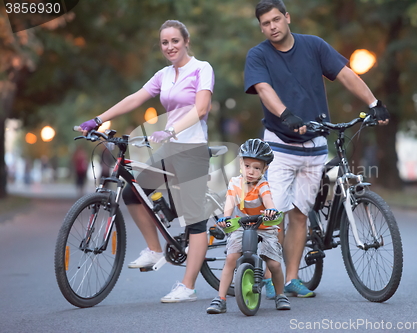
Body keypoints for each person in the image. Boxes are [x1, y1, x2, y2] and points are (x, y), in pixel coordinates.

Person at [244, 0, 390, 298]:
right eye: (265, 24)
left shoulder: (314, 46)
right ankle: (273, 277)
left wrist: (374, 104)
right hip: (279, 147)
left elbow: (346, 74)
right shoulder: (258, 55)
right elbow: (263, 89)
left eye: (275, 20)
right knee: (275, 215)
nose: (271, 27)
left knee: (299, 214)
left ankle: (293, 278)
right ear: (261, 27)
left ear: (287, 18)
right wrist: (286, 115)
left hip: (314, 146)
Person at [78, 20, 215, 303]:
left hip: (191, 149)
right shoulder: (164, 75)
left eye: (175, 41)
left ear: (186, 41)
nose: (170, 47)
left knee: (195, 221)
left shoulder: (202, 68)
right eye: (165, 42)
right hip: (169, 148)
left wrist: (171, 130)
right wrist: (99, 120)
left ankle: (187, 286)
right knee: (133, 193)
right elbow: (135, 98)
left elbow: (201, 108)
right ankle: (154, 249)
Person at [206, 139, 291, 314]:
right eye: (247, 166)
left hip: (264, 224)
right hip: (243, 224)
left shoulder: (262, 185)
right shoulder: (235, 183)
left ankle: (281, 295)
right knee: (231, 258)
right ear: (240, 164)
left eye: (257, 168)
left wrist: (271, 211)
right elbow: (229, 203)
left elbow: (268, 201)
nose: (251, 171)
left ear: (265, 169)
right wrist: (226, 218)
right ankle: (220, 298)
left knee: (274, 264)